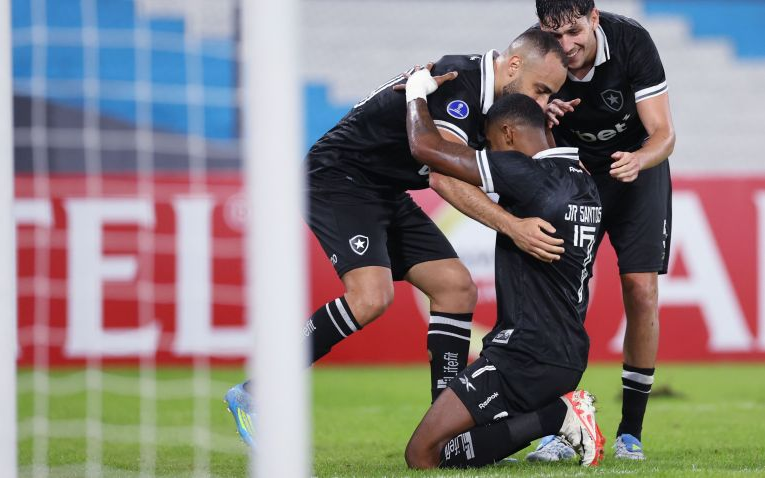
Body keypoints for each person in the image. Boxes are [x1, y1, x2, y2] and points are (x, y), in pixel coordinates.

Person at [224, 29, 570, 448]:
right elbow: (444, 176)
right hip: (338, 177)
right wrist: (512, 226)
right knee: (370, 297)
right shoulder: (459, 82)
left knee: (456, 288)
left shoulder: (491, 102)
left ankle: (447, 434)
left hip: (384, 189)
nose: (540, 103)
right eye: (540, 90)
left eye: (548, 96)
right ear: (513, 65)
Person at [400, 75, 605, 469]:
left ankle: (558, 417)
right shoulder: (584, 182)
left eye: (491, 144)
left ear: (509, 134)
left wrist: (416, 93)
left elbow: (426, 149)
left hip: (524, 355)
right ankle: (550, 417)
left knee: (422, 456)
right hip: (564, 353)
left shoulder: (525, 174)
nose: (490, 153)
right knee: (460, 447)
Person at [527, 0, 676, 461]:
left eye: (574, 31)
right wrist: (540, 116)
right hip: (575, 176)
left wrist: (638, 160)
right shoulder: (535, 52)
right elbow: (517, 130)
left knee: (641, 290)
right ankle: (561, 426)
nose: (566, 46)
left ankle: (631, 433)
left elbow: (664, 135)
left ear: (594, 17)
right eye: (555, 36)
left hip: (637, 172)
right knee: (567, 296)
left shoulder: (632, 42)